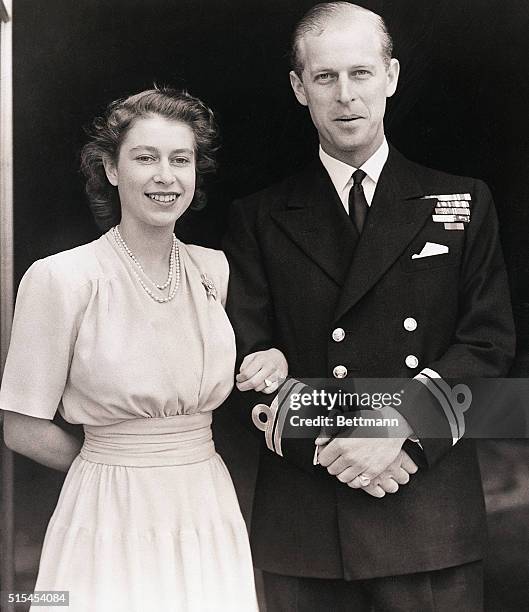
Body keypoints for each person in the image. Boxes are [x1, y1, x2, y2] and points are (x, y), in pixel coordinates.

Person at [223, 3, 515, 611]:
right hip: (306, 522)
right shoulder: (258, 218)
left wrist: (398, 428)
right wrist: (340, 448)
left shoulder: (463, 201)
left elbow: (489, 344)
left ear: (392, 76)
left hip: (427, 511)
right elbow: (244, 359)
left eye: (361, 73)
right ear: (299, 89)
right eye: (325, 77)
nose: (345, 95)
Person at [0, 87, 287, 612]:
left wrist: (275, 359)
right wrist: (111, 465)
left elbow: (263, 363)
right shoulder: (62, 278)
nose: (165, 176)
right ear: (110, 168)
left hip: (204, 504)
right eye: (145, 157)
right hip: (107, 511)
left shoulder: (216, 272)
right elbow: (20, 427)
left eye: (181, 159)